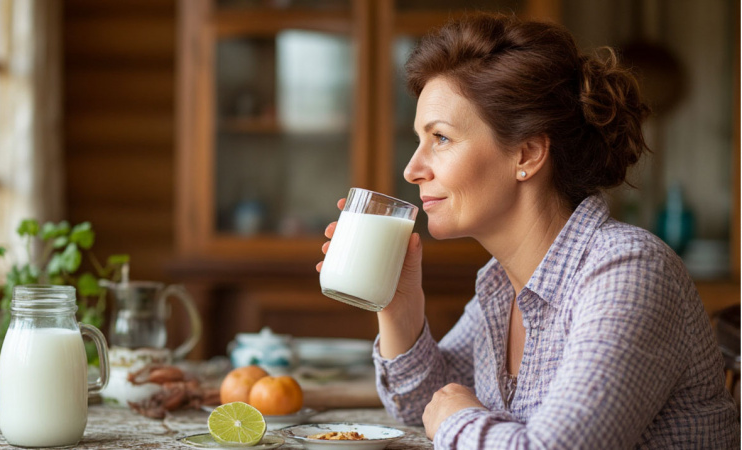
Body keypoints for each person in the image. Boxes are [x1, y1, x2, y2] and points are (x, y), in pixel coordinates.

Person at [317, 12, 739, 449]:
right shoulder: (502, 286)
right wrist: (398, 308)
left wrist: (456, 417)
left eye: (440, 138)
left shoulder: (628, 272)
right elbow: (424, 406)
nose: (412, 169)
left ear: (527, 154)